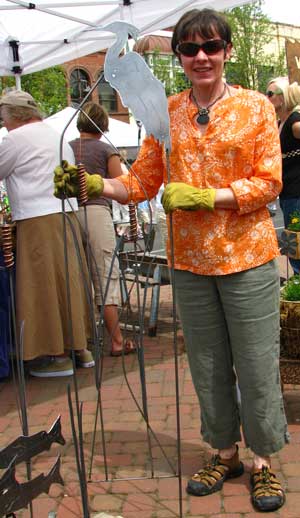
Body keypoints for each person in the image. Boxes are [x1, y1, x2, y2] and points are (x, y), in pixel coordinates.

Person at [55, 8, 288, 511]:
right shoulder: (167, 112)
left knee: (255, 364)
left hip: (246, 257)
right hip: (190, 263)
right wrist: (95, 185)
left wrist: (210, 198)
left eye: (210, 47)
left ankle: (264, 461)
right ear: (179, 56)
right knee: (206, 365)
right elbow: (143, 182)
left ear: (227, 51)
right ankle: (224, 453)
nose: (201, 57)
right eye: (189, 48)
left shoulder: (255, 108)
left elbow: (270, 182)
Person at [0, 89, 93, 377]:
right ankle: (80, 349)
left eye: (3, 114)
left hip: (37, 218)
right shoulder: (55, 133)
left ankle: (58, 356)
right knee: (69, 282)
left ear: (15, 114)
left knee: (43, 287)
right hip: (65, 215)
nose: (2, 121)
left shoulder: (14, 139)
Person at [69, 102, 136, 357]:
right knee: (105, 274)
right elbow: (124, 188)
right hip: (96, 212)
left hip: (68, 214)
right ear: (103, 124)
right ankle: (117, 341)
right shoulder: (106, 150)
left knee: (78, 277)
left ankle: (82, 342)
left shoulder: (66, 147)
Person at [266, 77, 300, 274]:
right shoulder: (280, 123)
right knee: (291, 238)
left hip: (296, 191)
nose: (266, 97)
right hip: (287, 191)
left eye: (270, 94)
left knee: (295, 237)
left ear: (283, 96)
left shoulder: (295, 123)